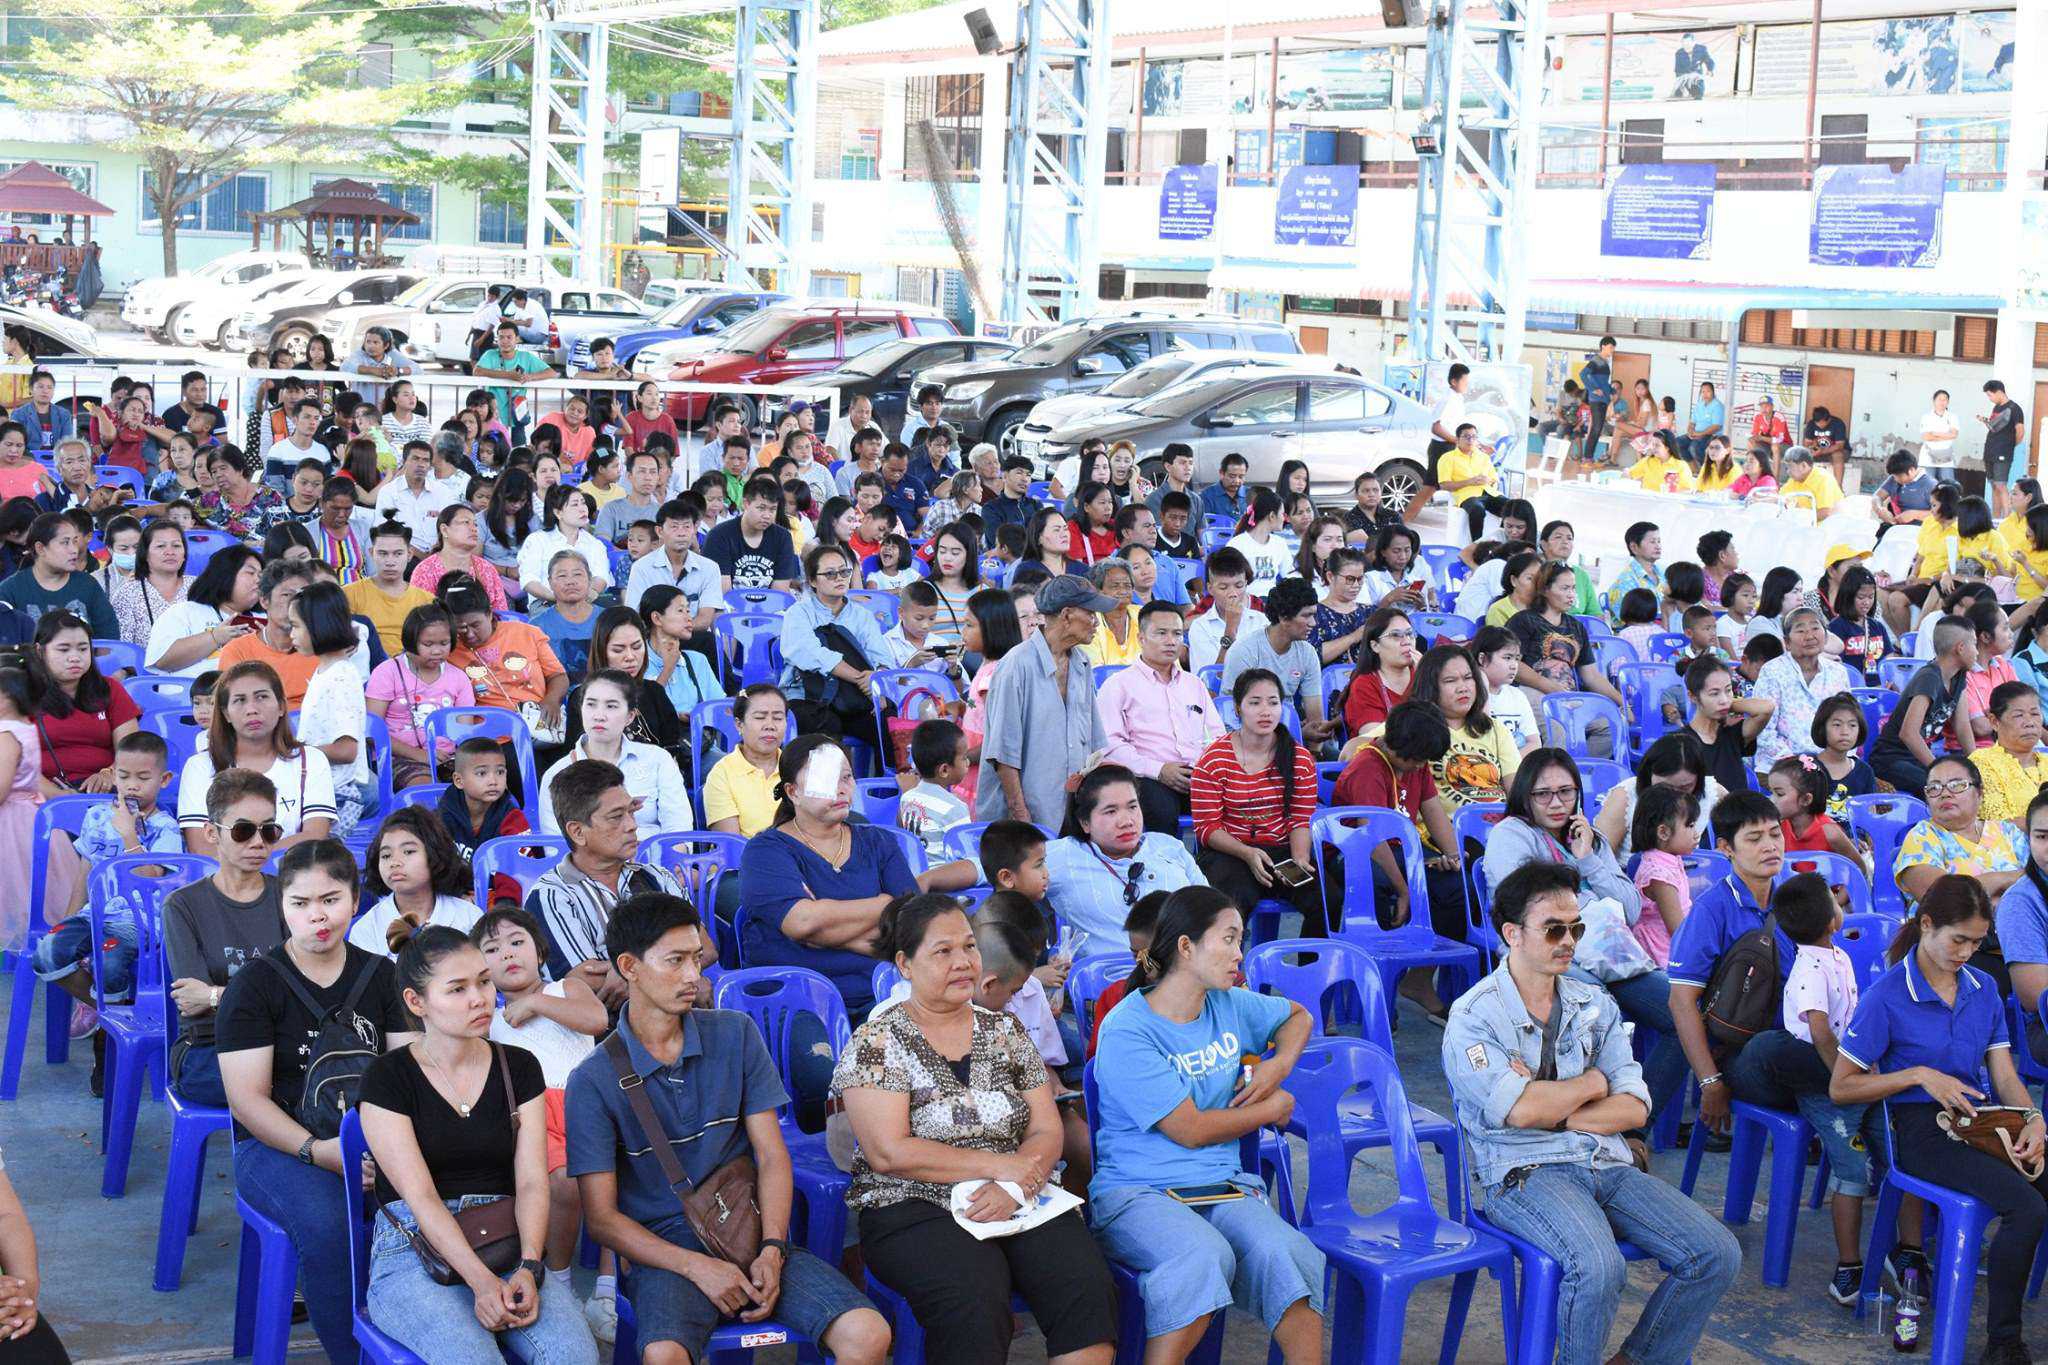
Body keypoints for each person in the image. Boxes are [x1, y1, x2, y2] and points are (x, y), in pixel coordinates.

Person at [565, 893, 891, 1365]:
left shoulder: (735, 1033)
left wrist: (773, 1249)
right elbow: (601, 1219)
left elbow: (772, 1156)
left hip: (747, 1230)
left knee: (868, 1334)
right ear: (629, 967)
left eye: (696, 958)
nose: (692, 976)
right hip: (665, 1252)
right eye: (674, 961)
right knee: (664, 1356)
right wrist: (697, 1267)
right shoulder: (592, 1079)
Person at [1444, 860, 1741, 1365]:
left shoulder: (1594, 1003)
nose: (1568, 941)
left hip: (1603, 1160)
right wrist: (1592, 1084)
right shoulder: (1475, 1015)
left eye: (1575, 928)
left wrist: (1557, 1106)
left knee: (1716, 1254)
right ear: (1512, 934)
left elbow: (1634, 1106)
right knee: (1598, 1268)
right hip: (1523, 1171)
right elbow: (1521, 1112)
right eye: (1553, 929)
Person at [828, 893, 1116, 1365]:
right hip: (913, 1204)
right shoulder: (877, 1041)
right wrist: (1002, 1168)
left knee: (1085, 1286)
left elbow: (1046, 1129)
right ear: (905, 964)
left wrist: (1016, 1184)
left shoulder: (1005, 1030)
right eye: (943, 951)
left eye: (968, 946)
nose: (963, 961)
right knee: (973, 1300)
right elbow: (889, 1152)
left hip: (1020, 1195)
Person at [1089, 885, 1324, 1363]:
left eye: (1241, 940)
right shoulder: (1128, 1028)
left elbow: (1298, 1017)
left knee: (1287, 1253)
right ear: (1186, 946)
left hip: (1220, 1185)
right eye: (1229, 939)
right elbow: (1189, 1129)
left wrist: (1276, 1068)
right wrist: (1271, 1109)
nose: (1240, 954)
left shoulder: (1228, 1003)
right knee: (1201, 1256)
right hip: (1139, 1191)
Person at [354, 923, 599, 1365]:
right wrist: (481, 1282)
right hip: (414, 1246)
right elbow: (421, 1197)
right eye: (457, 989)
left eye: (484, 982)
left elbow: (532, 1181)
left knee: (575, 1357)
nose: (479, 999)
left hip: (505, 1234)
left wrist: (530, 1265)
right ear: (416, 1002)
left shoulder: (519, 1067)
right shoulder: (388, 1078)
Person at [1831, 875, 2048, 1365]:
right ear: (1926, 924)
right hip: (1920, 1132)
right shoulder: (1888, 995)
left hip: (1979, 1121)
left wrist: (2033, 1119)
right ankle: (2004, 1344)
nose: (1967, 952)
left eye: (1977, 942)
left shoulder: (1983, 988)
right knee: (2026, 1208)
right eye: (1958, 940)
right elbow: (1841, 1087)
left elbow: (2004, 1074)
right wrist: (1918, 1076)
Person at [217, 838, 414, 1364]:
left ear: (356, 900)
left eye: (330, 900)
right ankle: (355, 1355)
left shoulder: (384, 976)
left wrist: (386, 1153)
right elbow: (248, 1101)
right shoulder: (254, 986)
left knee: (451, 1195)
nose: (317, 916)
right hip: (279, 1148)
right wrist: (318, 1151)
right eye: (300, 903)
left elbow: (409, 1076)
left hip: (377, 1142)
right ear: (282, 907)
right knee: (331, 1226)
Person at [737, 734, 971, 1011]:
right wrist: (884, 903)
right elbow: (801, 922)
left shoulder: (878, 842)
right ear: (792, 792)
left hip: (881, 993)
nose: (840, 789)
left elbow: (911, 923)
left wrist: (821, 933)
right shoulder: (765, 851)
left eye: (846, 777)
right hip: (795, 1001)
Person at [523, 760, 687, 1000]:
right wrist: (671, 963)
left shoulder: (658, 877)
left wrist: (626, 971)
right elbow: (582, 980)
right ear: (578, 832)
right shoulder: (551, 896)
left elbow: (704, 949)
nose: (632, 825)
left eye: (631, 812)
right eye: (616, 817)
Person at [1191, 668, 1321, 935]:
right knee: (1230, 906)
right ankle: (1229, 963)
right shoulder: (1213, 759)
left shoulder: (1299, 758)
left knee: (1327, 900)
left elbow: (1300, 818)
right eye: (1255, 703)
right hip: (1230, 851)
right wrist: (1247, 853)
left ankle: (1311, 962)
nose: (1265, 711)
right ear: (1238, 708)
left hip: (1281, 850)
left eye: (1273, 703)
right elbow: (1207, 828)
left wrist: (1299, 859)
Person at [975, 574, 1110, 826]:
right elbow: (1003, 753)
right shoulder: (1016, 665)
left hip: (1072, 809)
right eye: (1090, 614)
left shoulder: (1081, 662)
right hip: (1023, 817)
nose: (1096, 623)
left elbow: (1093, 743)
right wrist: (1021, 815)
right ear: (1067, 615)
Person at [177, 660, 336, 853]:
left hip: (294, 869)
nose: (251, 709)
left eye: (261, 697)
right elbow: (201, 847)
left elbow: (315, 836)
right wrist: (251, 861)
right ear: (226, 714)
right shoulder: (200, 766)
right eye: (240, 700)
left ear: (281, 706)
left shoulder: (310, 760)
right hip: (223, 872)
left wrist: (254, 857)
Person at [1096, 600, 1225, 835]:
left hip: (1197, 774)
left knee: (1240, 801)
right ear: (1141, 638)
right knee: (1161, 810)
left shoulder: (1194, 684)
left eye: (1177, 634)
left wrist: (1205, 769)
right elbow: (1110, 745)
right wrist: (1159, 769)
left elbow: (1217, 736)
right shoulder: (1118, 685)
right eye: (1161, 633)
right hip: (1146, 776)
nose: (1171, 641)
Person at [538, 671, 688, 839]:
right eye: (591, 704)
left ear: (630, 716)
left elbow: (678, 829)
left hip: (654, 855)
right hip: (588, 857)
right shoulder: (557, 774)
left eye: (611, 706)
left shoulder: (658, 759)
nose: (599, 716)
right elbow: (556, 845)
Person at [24, 610, 139, 795]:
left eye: (83, 649)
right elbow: (14, 762)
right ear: (39, 651)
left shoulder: (110, 689)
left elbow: (131, 748)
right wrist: (60, 796)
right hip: (39, 794)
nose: (75, 657)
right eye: (63, 649)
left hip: (106, 792)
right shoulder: (22, 694)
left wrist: (109, 774)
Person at [289, 580, 372, 834]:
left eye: (296, 626)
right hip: (323, 787)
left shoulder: (340, 677)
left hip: (339, 794)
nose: (291, 634)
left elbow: (346, 750)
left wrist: (296, 753)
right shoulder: (325, 671)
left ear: (318, 625)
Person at [367, 603, 474, 790]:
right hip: (398, 757)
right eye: (428, 644)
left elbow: (464, 732)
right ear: (410, 642)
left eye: (444, 643)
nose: (437, 651)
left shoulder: (458, 677)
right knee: (425, 788)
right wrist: (420, 755)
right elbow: (372, 732)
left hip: (447, 759)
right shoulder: (387, 672)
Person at [1869, 615, 1977, 798]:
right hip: (1891, 759)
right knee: (1941, 787)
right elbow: (1908, 734)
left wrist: (1977, 765)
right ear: (1960, 648)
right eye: (1974, 644)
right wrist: (1939, 769)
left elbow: (1962, 726)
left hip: (1916, 758)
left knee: (1967, 781)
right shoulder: (1929, 678)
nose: (1977, 652)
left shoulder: (1959, 675)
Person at [1219, 577, 1334, 744]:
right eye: (1306, 616)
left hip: (1290, 740)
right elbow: (1232, 717)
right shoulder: (1244, 651)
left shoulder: (1307, 653)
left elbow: (1315, 722)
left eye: (1314, 615)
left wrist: (1314, 752)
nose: (1313, 623)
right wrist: (1297, 733)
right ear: (1284, 617)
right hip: (1247, 742)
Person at [444, 581, 569, 734]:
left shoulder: (526, 633)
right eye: (461, 628)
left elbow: (558, 675)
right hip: (490, 735)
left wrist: (551, 700)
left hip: (538, 726)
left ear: (489, 614)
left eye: (475, 625)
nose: (469, 634)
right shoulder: (449, 651)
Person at [1750, 604, 1856, 774]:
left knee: (1875, 785)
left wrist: (1841, 760)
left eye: (1815, 628)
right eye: (1800, 631)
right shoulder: (1772, 672)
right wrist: (1802, 765)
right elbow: (1764, 732)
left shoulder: (1838, 672)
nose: (1810, 636)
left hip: (1831, 764)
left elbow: (1849, 721)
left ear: (1825, 637)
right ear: (1787, 642)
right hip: (1782, 768)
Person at [0, 512, 117, 638]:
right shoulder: (10, 590)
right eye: (65, 542)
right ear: (40, 548)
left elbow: (109, 638)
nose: (74, 550)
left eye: (75, 541)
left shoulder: (88, 584)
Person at [1680, 656, 1774, 797]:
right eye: (1714, 693)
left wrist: (1729, 705)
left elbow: (1766, 708)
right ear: (1693, 696)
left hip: (1739, 809)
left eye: (1728, 690)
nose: (1724, 699)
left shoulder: (1732, 733)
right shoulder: (1681, 743)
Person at [702, 684, 786, 840]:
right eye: (760, 717)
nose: (770, 726)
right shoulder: (721, 774)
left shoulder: (798, 768)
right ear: (739, 724)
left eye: (778, 718)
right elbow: (731, 846)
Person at [1980, 380, 2028, 517]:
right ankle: (1995, 518)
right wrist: (1985, 421)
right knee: (1994, 486)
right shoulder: (1996, 408)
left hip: (2003, 453)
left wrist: (2008, 446)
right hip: (1990, 451)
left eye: (1990, 395)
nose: (1990, 399)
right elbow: (1994, 427)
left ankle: (2006, 517)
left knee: (2001, 485)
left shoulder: (2014, 408)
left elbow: (2020, 432)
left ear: (1999, 392)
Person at [1777, 446, 1843, 520]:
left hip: (1828, 524)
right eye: (1787, 468)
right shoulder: (1794, 480)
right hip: (1806, 523)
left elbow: (1826, 512)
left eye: (1790, 467)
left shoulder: (1823, 479)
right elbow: (1779, 498)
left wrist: (1800, 517)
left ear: (1803, 466)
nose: (1788, 471)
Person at [1919, 389, 1962, 484]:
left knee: (1948, 485)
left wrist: (1934, 433)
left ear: (1948, 402)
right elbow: (1926, 437)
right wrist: (1947, 435)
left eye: (1945, 400)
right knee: (1928, 485)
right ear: (1934, 401)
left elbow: (1954, 434)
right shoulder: (1926, 417)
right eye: (1939, 399)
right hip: (1927, 457)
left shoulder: (1952, 417)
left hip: (1946, 458)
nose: (1942, 402)